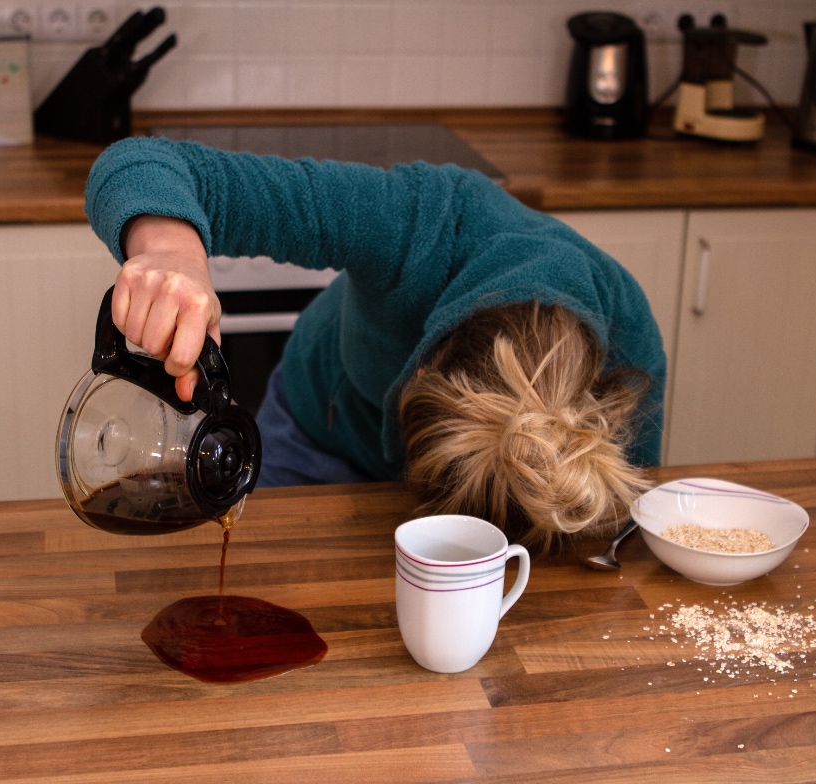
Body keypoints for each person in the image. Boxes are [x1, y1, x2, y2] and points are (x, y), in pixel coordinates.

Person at [84, 137, 666, 553]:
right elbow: (140, 161)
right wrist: (171, 252)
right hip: (319, 429)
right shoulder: (417, 219)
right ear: (416, 371)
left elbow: (610, 543)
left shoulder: (631, 358)